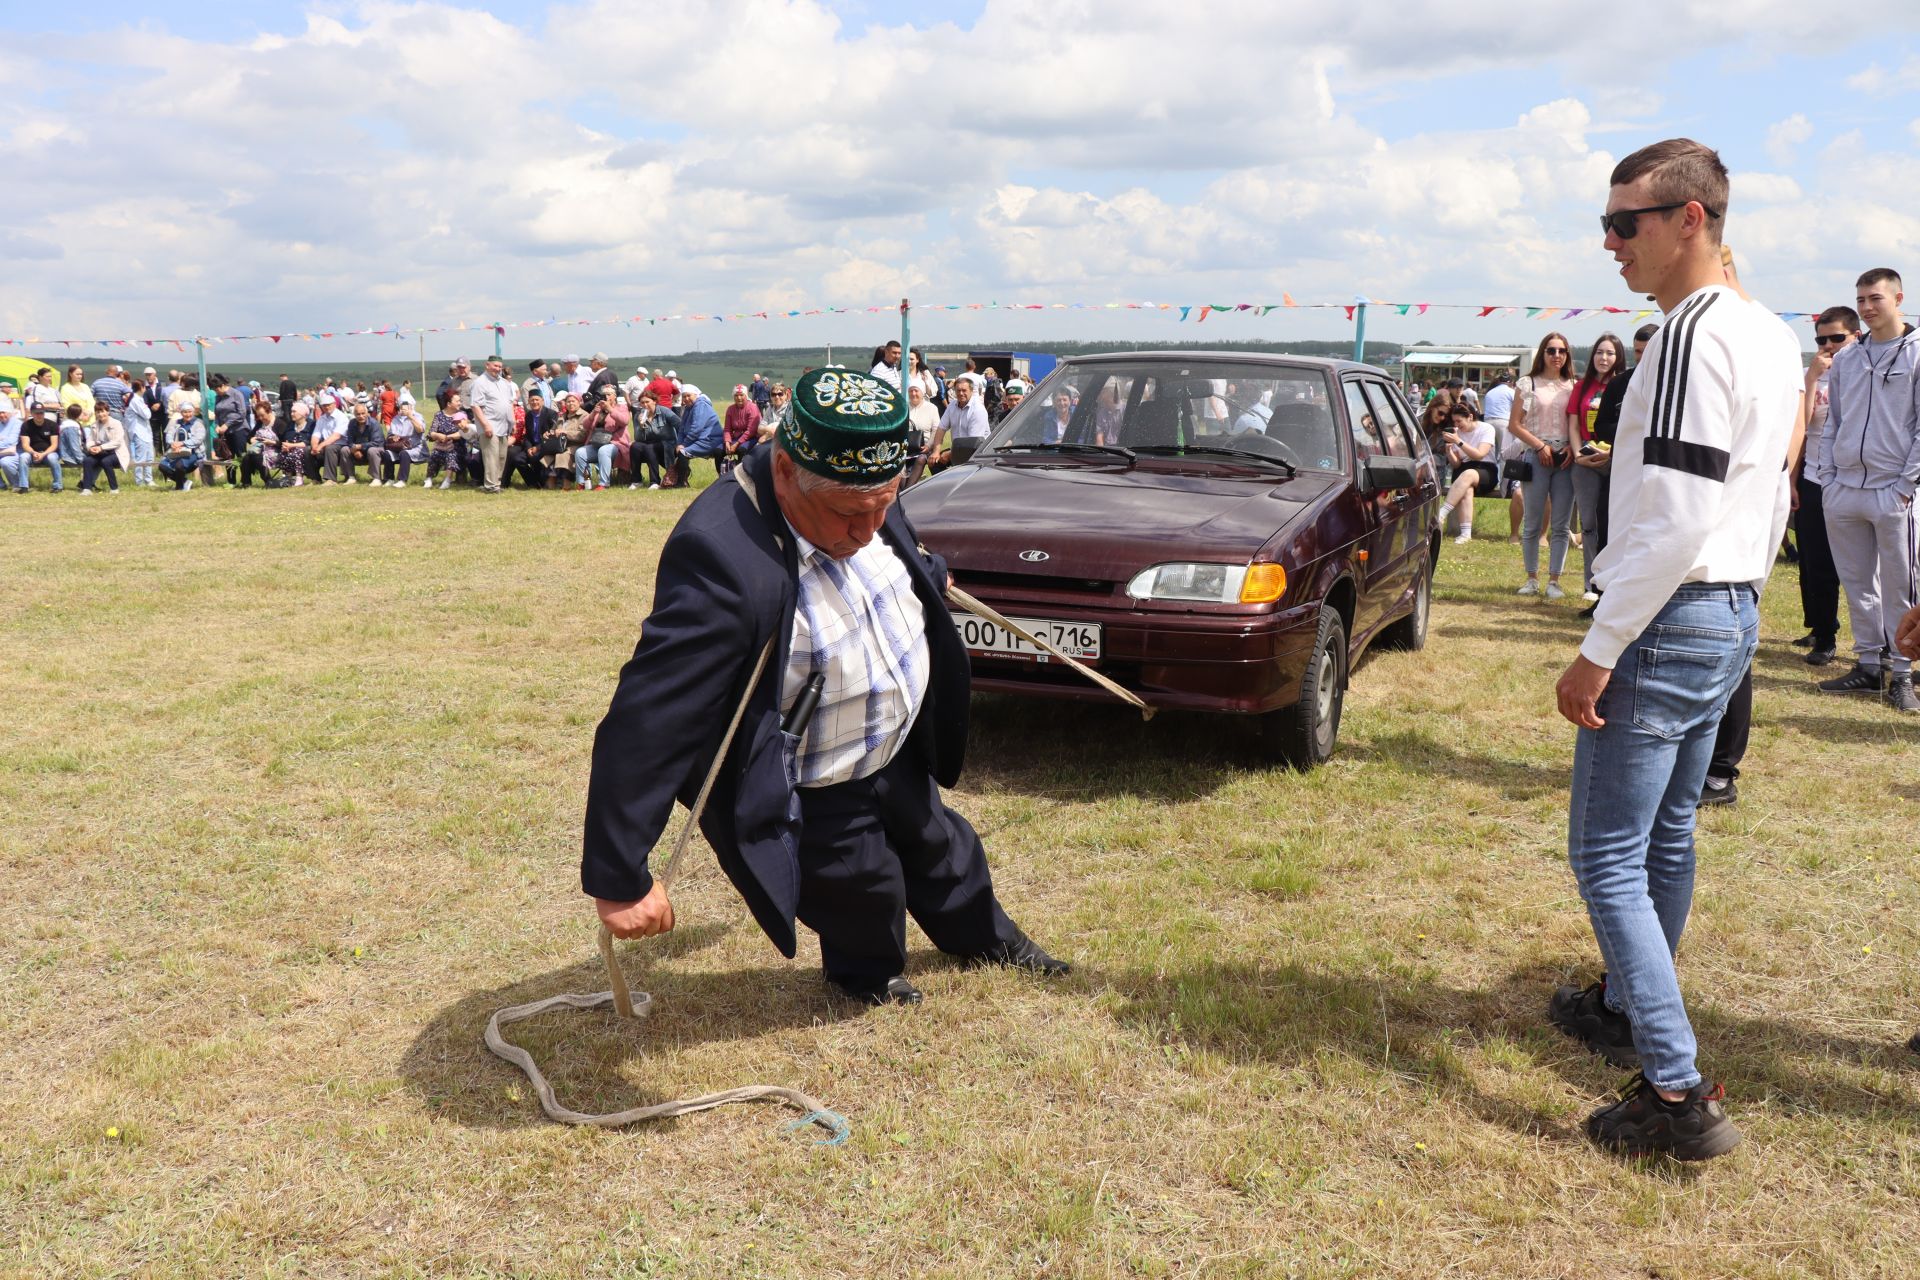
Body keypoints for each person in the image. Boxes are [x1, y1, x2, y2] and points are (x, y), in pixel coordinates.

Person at [584, 366, 1068, 1006]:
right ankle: (868, 972)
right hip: (818, 779)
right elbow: (654, 715)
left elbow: (898, 540)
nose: (868, 530)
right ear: (785, 470)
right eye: (848, 513)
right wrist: (619, 874)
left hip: (894, 747)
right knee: (859, 885)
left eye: (885, 504)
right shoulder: (721, 557)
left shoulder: (859, 495)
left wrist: (928, 573)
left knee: (945, 851)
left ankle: (986, 937)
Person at [1550, 138, 1800, 1161]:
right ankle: (1624, 1006)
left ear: (1688, 220)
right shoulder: (1764, 330)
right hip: (1725, 608)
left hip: (1674, 610)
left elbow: (1682, 512)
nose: (1610, 243)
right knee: (1664, 838)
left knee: (1607, 854)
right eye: (1607, 223)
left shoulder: (1696, 335)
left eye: (1625, 223)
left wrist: (1601, 644)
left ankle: (1675, 1086)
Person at [1810, 268, 1920, 713]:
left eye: (1875, 298)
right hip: (1845, 488)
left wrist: (1905, 484)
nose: (1868, 307)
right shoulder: (1849, 359)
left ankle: (1903, 673)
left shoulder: (1916, 355)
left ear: (1898, 298)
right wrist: (1829, 476)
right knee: (1857, 582)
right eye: (1861, 300)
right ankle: (1869, 664)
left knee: (1901, 585)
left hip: (1893, 490)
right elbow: (1834, 419)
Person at [1789, 307, 1860, 666]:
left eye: (1837, 338)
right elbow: (1797, 430)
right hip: (1814, 477)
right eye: (1821, 339)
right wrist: (1813, 380)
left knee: (1863, 567)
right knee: (1815, 562)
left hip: (1855, 480)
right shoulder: (1807, 376)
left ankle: (1876, 645)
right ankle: (1823, 633)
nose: (1829, 345)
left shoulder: (1866, 374)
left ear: (1855, 337)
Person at [1509, 333, 1579, 598]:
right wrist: (1539, 446)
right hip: (1536, 455)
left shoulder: (1573, 385)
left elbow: (1578, 423)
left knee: (1561, 524)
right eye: (1551, 350)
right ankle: (1531, 578)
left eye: (1562, 351)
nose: (1557, 356)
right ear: (1543, 353)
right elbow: (1514, 424)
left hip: (1565, 457)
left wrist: (1572, 447)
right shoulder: (1527, 384)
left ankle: (1554, 581)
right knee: (1533, 522)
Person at [1568, 334, 1628, 601]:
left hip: (1616, 461)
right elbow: (1572, 423)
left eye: (1610, 353)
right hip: (1584, 461)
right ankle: (1590, 583)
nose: (1604, 358)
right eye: (1600, 352)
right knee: (1589, 523)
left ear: (1619, 357)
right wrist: (1578, 454)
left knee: (1614, 522)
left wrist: (1612, 453)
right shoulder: (1581, 387)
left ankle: (1612, 582)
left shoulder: (1627, 384)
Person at [1434, 402, 1497, 542]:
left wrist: (1459, 442)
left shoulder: (1487, 428)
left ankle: (1442, 513)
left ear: (1470, 417)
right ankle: (1465, 534)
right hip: (1463, 470)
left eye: (1459, 421)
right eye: (1454, 421)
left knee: (1468, 474)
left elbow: (1480, 454)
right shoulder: (1457, 433)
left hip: (1485, 469)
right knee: (1467, 489)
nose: (1456, 425)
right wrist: (1449, 450)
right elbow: (1456, 464)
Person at [468, 355, 518, 494]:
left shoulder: (504, 383)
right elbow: (476, 406)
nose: (498, 369)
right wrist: (485, 426)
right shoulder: (480, 383)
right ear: (487, 365)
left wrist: (512, 422)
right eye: (495, 366)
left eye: (500, 366)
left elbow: (509, 404)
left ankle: (496, 483)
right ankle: (490, 486)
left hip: (504, 426)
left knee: (501, 456)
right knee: (491, 456)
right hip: (489, 425)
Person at [574, 387, 629, 490]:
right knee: (580, 453)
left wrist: (610, 409)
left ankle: (603, 484)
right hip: (597, 443)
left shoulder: (621, 407)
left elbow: (625, 421)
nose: (606, 397)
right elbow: (585, 426)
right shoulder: (599, 409)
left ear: (615, 396)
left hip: (616, 444)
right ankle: (582, 483)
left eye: (609, 394)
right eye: (604, 395)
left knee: (604, 451)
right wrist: (593, 413)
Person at [930, 373, 988, 469]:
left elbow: (972, 443)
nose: (961, 393)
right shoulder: (952, 405)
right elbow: (941, 429)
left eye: (964, 390)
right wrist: (936, 451)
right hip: (958, 451)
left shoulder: (978, 410)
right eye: (958, 390)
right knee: (933, 461)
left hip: (976, 453)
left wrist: (949, 454)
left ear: (971, 391)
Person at [671, 384, 724, 486]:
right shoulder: (688, 407)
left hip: (710, 440)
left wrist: (684, 444)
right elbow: (682, 428)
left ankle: (680, 484)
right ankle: (677, 479)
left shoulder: (701, 405)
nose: (686, 399)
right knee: (676, 450)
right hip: (699, 439)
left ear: (696, 395)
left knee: (682, 452)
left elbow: (697, 428)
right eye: (684, 396)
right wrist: (679, 443)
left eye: (689, 396)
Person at [627, 390, 676, 489]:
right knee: (635, 446)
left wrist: (680, 443)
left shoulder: (664, 411)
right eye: (642, 402)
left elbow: (679, 424)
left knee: (650, 448)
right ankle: (636, 481)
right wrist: (641, 425)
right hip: (648, 443)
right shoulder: (638, 415)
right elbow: (638, 438)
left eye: (647, 402)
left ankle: (655, 481)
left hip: (666, 443)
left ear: (654, 401)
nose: (645, 405)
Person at [507, 389, 552, 490]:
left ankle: (542, 482)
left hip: (544, 447)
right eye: (532, 400)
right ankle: (532, 483)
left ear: (542, 401)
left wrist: (537, 448)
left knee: (536, 459)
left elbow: (552, 436)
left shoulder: (551, 414)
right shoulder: (528, 416)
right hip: (531, 447)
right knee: (517, 459)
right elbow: (527, 435)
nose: (534, 402)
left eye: (537, 400)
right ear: (528, 402)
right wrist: (529, 448)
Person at [159, 399, 208, 491]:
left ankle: (179, 487)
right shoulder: (176, 422)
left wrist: (182, 443)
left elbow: (198, 439)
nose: (187, 414)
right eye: (185, 412)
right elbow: (169, 435)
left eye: (189, 412)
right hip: (176, 450)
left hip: (194, 453)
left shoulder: (198, 423)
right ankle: (185, 482)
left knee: (179, 465)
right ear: (181, 413)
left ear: (193, 412)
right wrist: (172, 443)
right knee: (163, 466)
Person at [426, 396, 471, 490]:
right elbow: (431, 432)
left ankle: (447, 479)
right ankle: (429, 479)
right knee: (434, 454)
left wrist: (447, 437)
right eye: (457, 401)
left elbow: (461, 433)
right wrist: (438, 436)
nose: (460, 403)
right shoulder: (439, 415)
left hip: (457, 445)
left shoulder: (462, 414)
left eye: (460, 401)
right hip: (440, 445)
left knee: (451, 454)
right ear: (449, 404)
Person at [346, 399, 388, 486]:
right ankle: (350, 477)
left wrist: (360, 446)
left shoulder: (374, 423)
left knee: (372, 450)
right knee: (345, 449)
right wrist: (355, 450)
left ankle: (377, 479)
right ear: (354, 415)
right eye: (358, 414)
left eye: (363, 413)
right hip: (358, 451)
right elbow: (349, 440)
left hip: (377, 450)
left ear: (367, 413)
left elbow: (377, 442)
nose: (361, 416)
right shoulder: (351, 423)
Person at [721, 384, 762, 474]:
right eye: (736, 395)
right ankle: (721, 476)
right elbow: (727, 429)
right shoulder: (730, 409)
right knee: (718, 451)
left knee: (741, 450)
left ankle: (741, 476)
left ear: (746, 396)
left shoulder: (752, 407)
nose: (739, 398)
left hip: (751, 437)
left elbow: (751, 430)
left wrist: (736, 444)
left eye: (741, 395)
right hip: (735, 438)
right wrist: (727, 442)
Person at [0, 392, 24, 493]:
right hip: (4, 451)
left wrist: (3, 439)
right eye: (0, 413)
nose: (1, 415)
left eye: (4, 412)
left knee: (5, 462)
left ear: (10, 412)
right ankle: (1, 485)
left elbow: (11, 442)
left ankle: (16, 484)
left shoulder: (17, 423)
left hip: (16, 452)